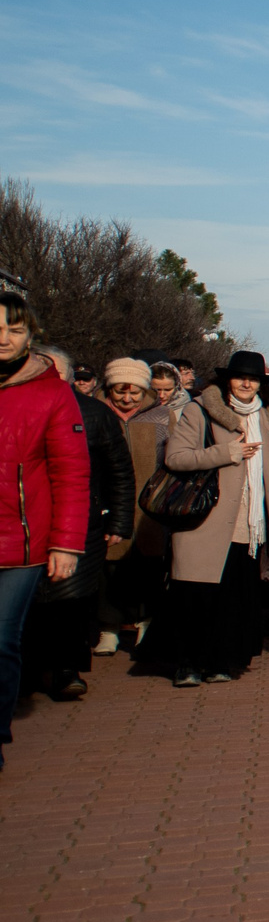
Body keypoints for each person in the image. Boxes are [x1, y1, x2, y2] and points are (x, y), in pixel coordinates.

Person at [157, 351, 269, 688]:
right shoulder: (201, 410)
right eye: (240, 376)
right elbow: (176, 457)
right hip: (205, 518)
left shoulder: (268, 417)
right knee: (195, 596)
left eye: (253, 378)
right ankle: (188, 663)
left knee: (233, 598)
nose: (246, 383)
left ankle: (222, 661)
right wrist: (226, 453)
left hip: (248, 522)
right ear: (227, 380)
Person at [0, 290, 88, 765]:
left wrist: (66, 543)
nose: (4, 339)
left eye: (15, 330)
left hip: (23, 543)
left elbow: (71, 473)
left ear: (30, 335)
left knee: (0, 638)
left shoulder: (53, 393)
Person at [20, 348, 133, 701]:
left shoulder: (94, 413)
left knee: (71, 600)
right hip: (26, 521)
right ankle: (26, 672)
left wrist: (119, 519)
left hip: (82, 519)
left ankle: (66, 669)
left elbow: (119, 471)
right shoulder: (16, 405)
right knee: (27, 600)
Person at [99, 357, 168, 656]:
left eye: (135, 392)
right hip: (109, 503)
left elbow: (172, 458)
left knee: (149, 568)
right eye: (119, 391)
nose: (127, 399)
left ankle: (146, 624)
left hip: (150, 506)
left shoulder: (162, 416)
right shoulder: (97, 413)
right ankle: (108, 628)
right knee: (109, 569)